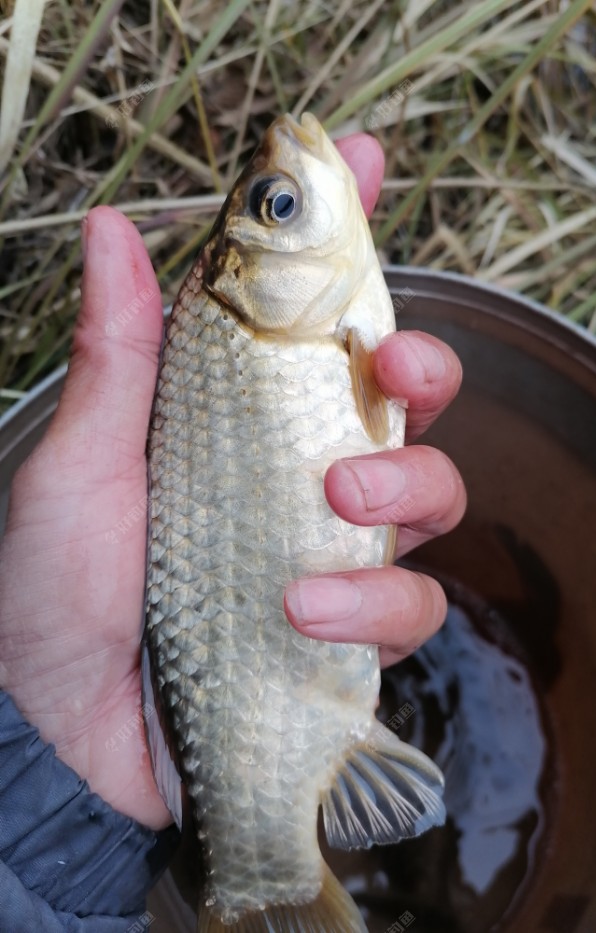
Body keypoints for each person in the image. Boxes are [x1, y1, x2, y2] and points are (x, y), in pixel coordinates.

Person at [0, 133, 466, 931]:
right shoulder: (291, 330)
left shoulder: (282, 326)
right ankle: (262, 877)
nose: (285, 189)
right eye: (275, 207)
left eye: (276, 205)